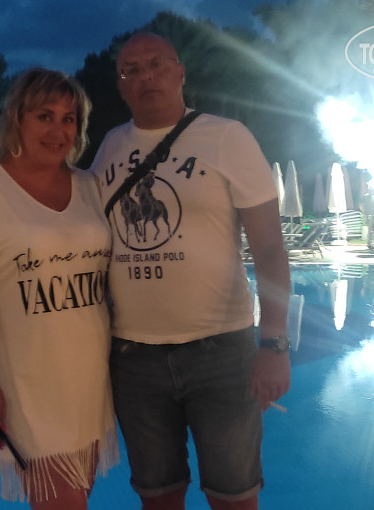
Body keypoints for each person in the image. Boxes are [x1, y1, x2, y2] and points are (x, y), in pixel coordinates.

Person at [90, 33, 292, 510]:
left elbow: (269, 248)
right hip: (134, 356)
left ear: (179, 72)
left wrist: (274, 344)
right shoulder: (111, 145)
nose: (145, 76)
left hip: (220, 352)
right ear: (121, 86)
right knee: (157, 496)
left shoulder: (227, 137)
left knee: (234, 497)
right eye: (131, 70)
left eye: (156, 64)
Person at [0, 68, 118, 509]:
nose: (58, 130)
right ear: (17, 118)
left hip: (90, 378)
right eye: (45, 116)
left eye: (69, 119)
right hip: (27, 386)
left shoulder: (90, 186)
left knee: (79, 495)